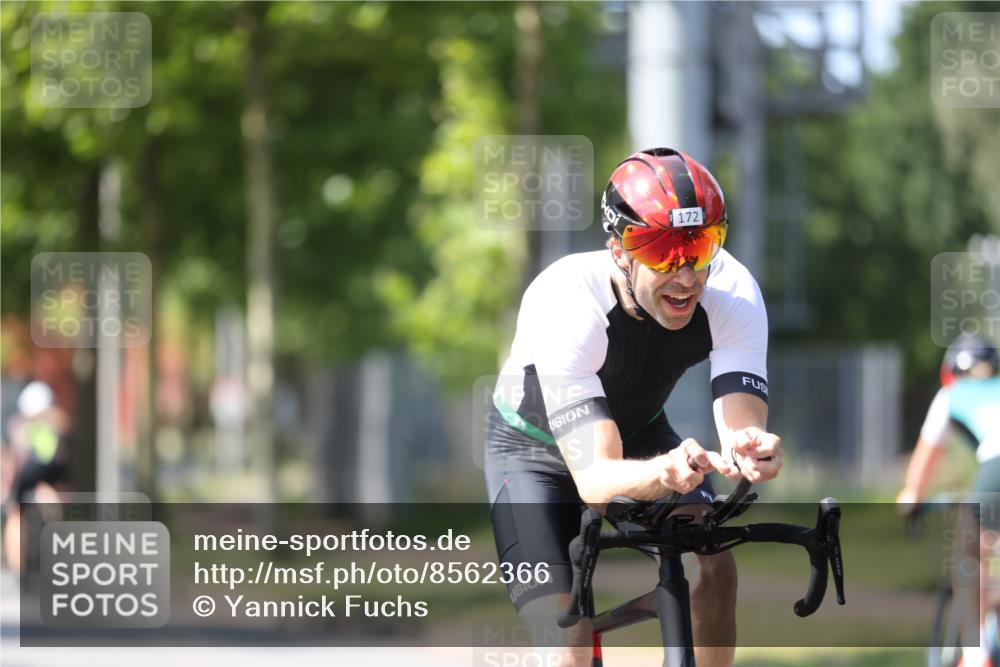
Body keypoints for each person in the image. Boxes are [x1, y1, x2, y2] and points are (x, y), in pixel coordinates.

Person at [484, 147, 783, 667]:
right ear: (619, 250)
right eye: (664, 252)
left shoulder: (733, 292)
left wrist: (748, 448)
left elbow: (741, 424)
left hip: (642, 435)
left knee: (715, 564)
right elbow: (596, 479)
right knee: (567, 643)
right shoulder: (566, 301)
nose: (687, 275)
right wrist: (665, 472)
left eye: (702, 245)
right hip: (533, 455)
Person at [897, 332, 1000, 667]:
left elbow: (920, 473)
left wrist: (910, 499)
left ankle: (974, 653)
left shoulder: (952, 394)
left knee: (968, 549)